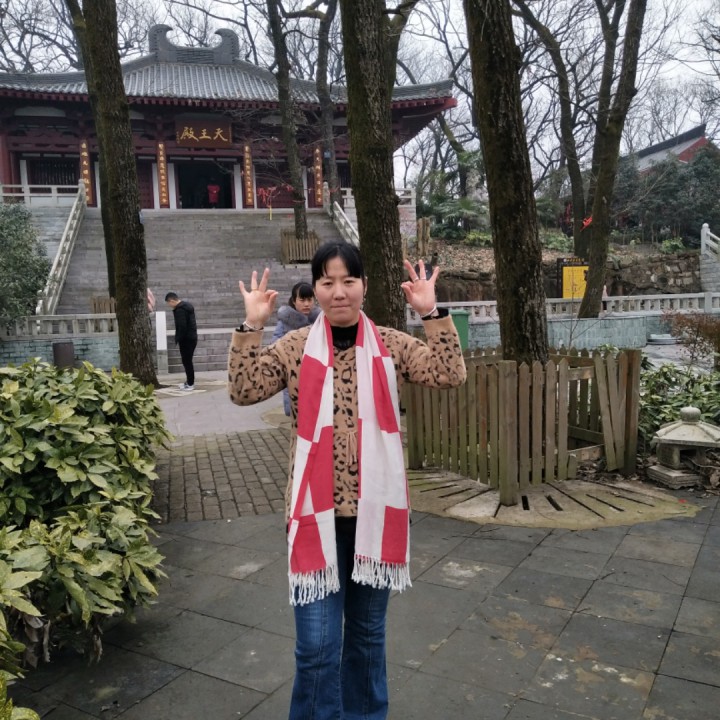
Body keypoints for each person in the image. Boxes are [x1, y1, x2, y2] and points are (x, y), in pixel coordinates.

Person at [227, 242, 466, 719]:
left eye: (348, 281)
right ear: (315, 289)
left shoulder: (391, 344)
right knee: (316, 646)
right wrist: (251, 326)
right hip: (315, 519)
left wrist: (430, 313)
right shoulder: (295, 348)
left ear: (364, 286)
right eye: (327, 282)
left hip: (375, 516)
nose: (339, 292)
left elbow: (449, 373)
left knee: (367, 638)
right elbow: (242, 389)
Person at [271, 281, 320, 416]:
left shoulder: (320, 320)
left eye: (310, 300)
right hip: (294, 375)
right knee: (296, 414)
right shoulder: (285, 322)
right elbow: (275, 346)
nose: (306, 304)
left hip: (317, 374)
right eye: (302, 300)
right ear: (294, 301)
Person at [165, 291, 197, 391]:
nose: (169, 306)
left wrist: (178, 338)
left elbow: (182, 326)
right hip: (192, 337)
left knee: (187, 361)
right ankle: (188, 382)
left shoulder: (180, 310)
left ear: (172, 301)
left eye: (169, 303)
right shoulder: (187, 306)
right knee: (187, 361)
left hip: (186, 339)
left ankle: (190, 384)